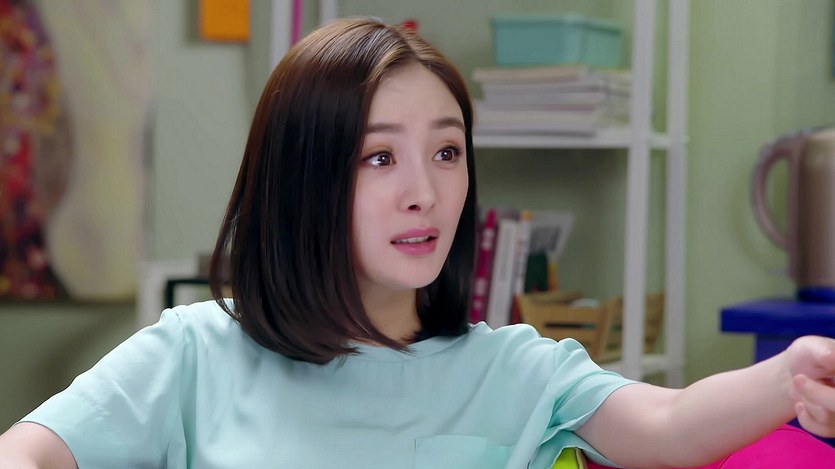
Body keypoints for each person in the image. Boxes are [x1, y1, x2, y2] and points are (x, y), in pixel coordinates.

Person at [1, 17, 835, 469]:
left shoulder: (518, 369)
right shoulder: (192, 353)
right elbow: (27, 453)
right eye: (378, 157)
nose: (424, 191)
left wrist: (795, 368)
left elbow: (674, 423)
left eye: (445, 152)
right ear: (303, 176)